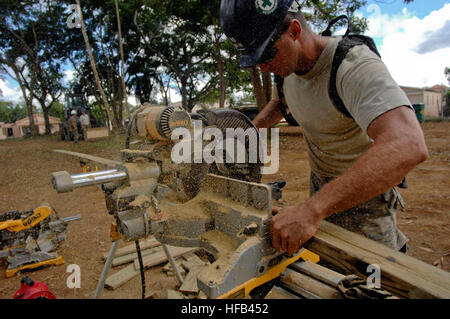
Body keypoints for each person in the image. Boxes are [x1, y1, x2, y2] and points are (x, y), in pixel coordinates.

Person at [220, 0, 429, 255]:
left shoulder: (352, 66)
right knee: (327, 271)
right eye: (254, 59)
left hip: (365, 198)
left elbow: (408, 144)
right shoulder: (287, 70)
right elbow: (282, 102)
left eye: (265, 54)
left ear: (294, 31)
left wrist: (311, 210)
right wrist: (249, 130)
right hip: (321, 188)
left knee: (373, 279)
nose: (262, 66)